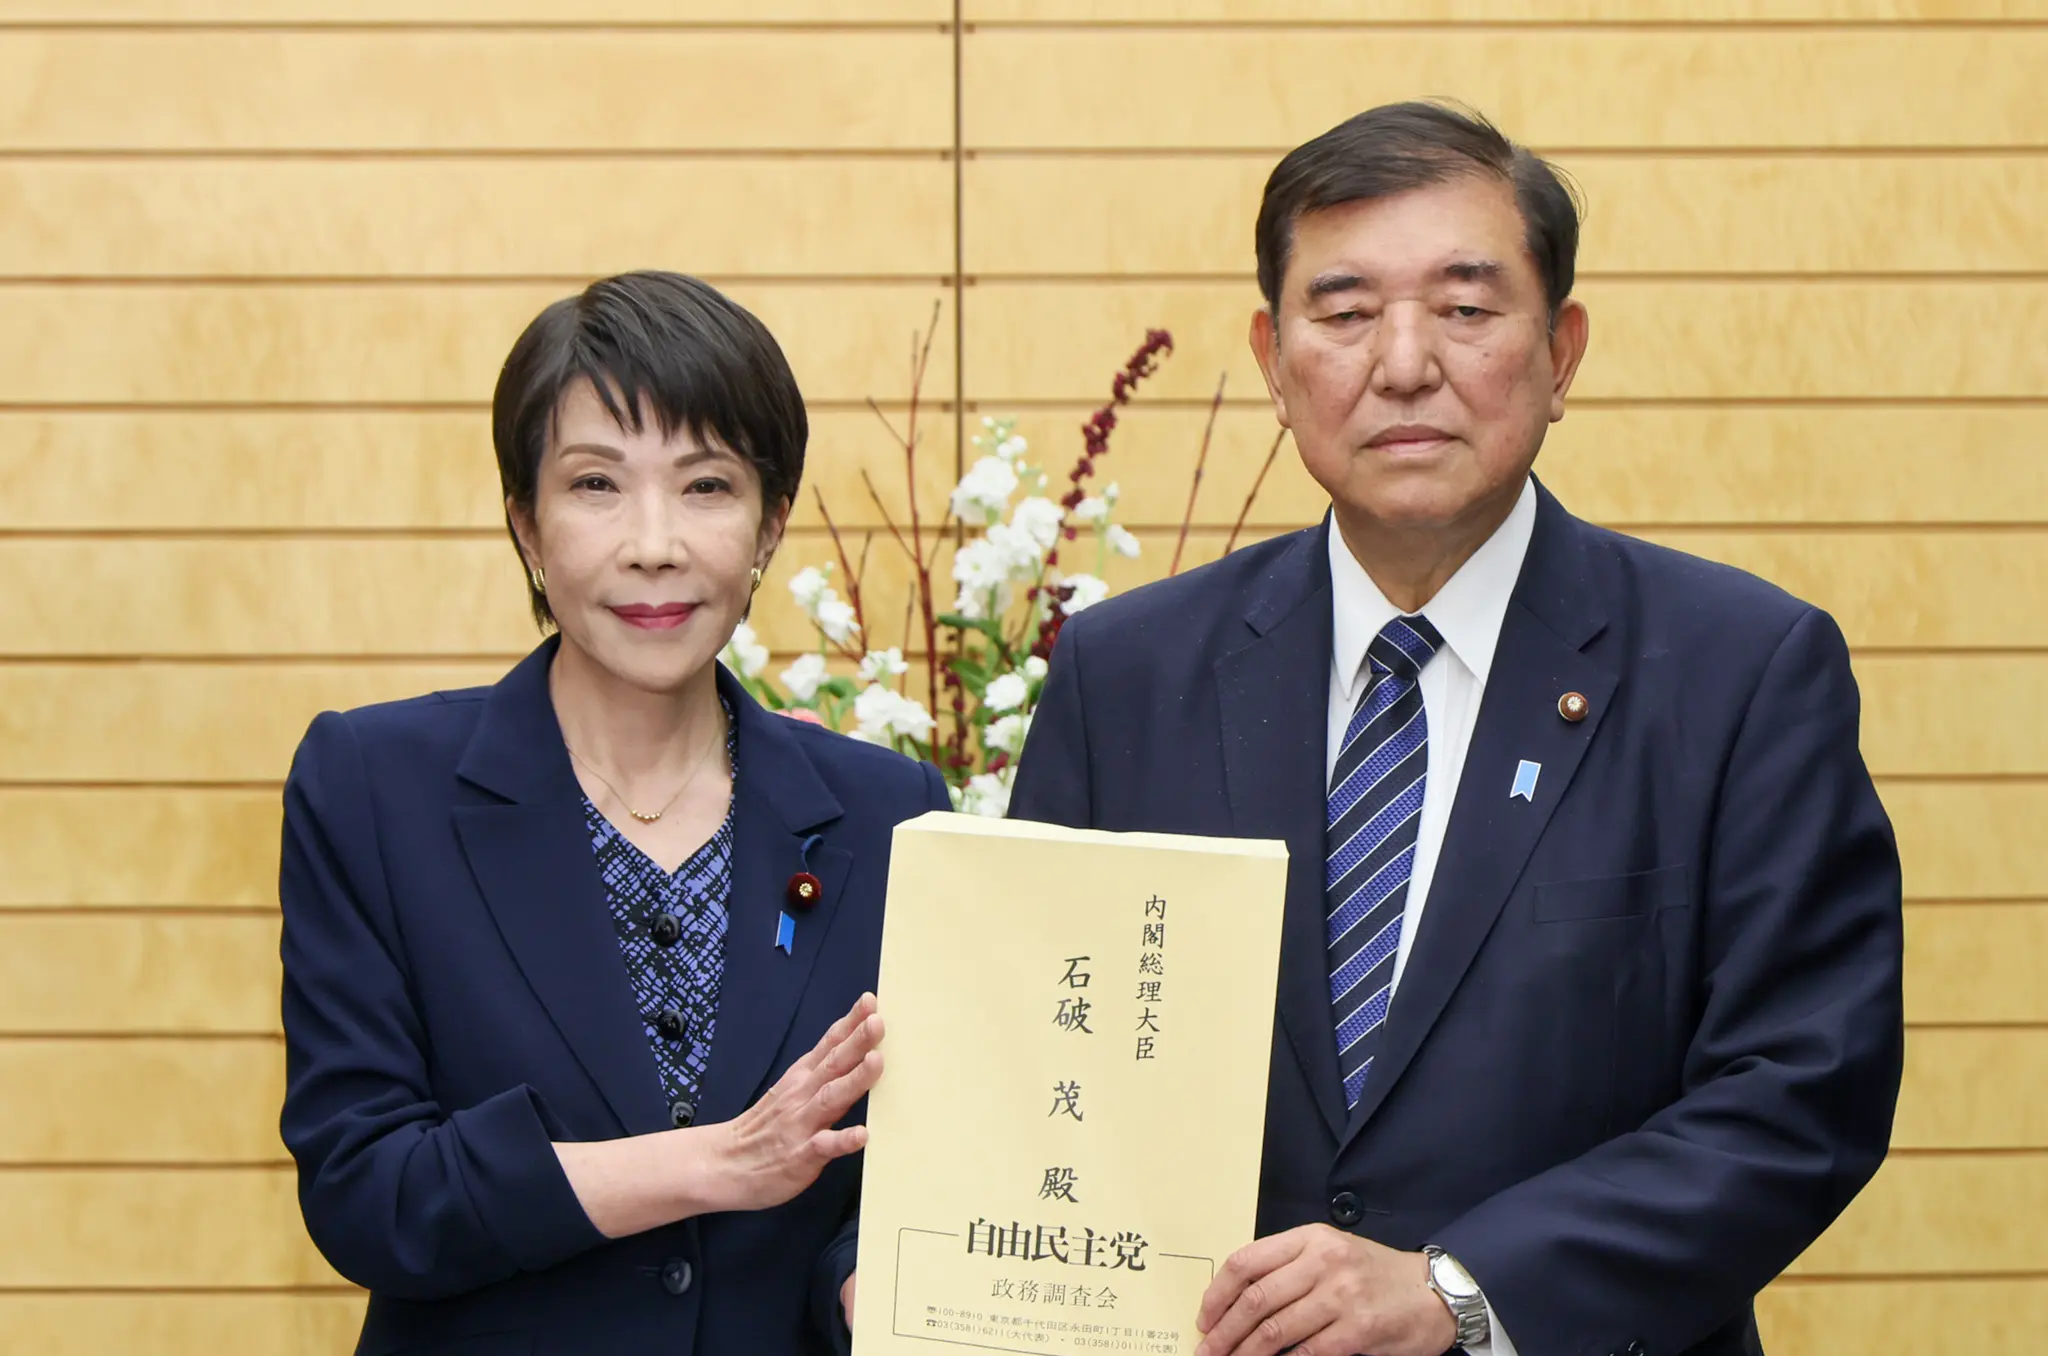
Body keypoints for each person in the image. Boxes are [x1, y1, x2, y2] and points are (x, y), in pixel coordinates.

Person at [1010, 103, 1903, 1356]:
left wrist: (1461, 1289)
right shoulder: (1126, 672)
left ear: (1561, 351)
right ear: (1271, 360)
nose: (1402, 363)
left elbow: (1801, 1091)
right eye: (1343, 313)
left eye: (1465, 307)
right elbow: (1033, 1049)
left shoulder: (1739, 670)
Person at [278, 271, 949, 1354]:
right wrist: (713, 1164)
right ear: (527, 526)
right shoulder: (373, 788)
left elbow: (905, 1179)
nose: (653, 543)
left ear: (770, 526)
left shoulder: (887, 814)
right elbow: (371, 1193)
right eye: (596, 484)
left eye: (706, 486)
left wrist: (869, 1281)